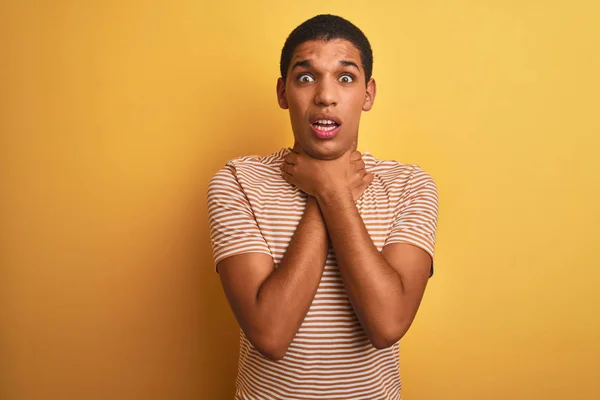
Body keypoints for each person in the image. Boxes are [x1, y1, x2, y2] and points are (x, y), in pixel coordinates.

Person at [207, 14, 439, 400]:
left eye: (345, 78)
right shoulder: (237, 182)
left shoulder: (410, 186)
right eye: (306, 77)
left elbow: (386, 324)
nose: (325, 96)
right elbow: (271, 333)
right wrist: (329, 192)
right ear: (283, 93)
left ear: (368, 94)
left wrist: (330, 192)